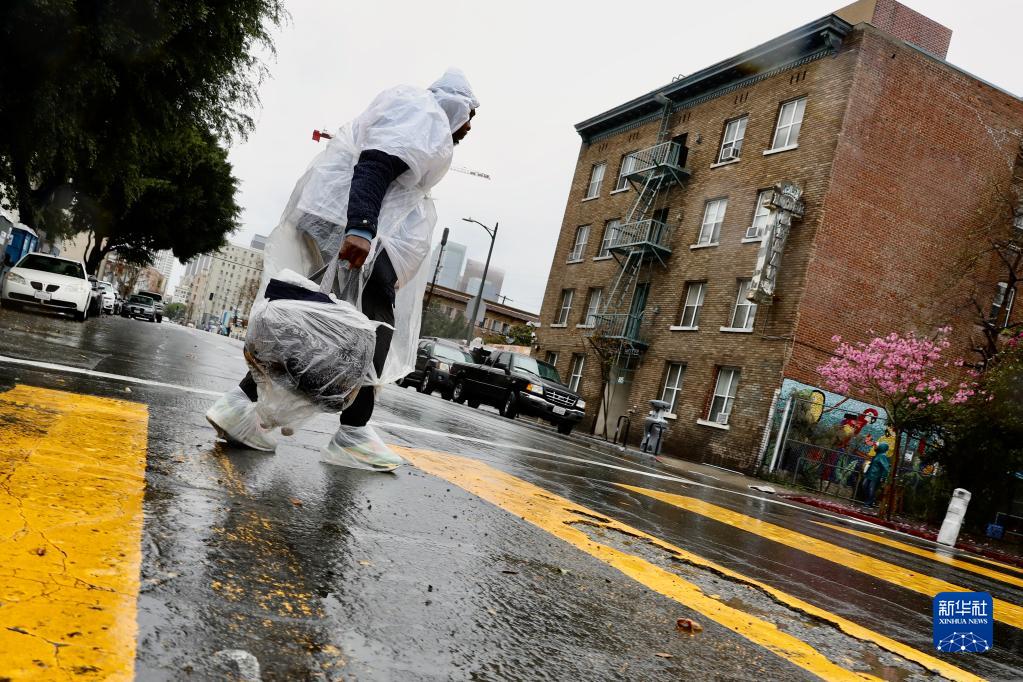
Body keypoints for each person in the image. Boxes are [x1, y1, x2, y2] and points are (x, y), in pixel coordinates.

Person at [206, 68, 479, 471]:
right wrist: (361, 228)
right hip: (353, 225)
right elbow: (377, 163)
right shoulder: (424, 113)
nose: (470, 126)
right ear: (454, 104)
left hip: (349, 221)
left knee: (320, 321)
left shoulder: (423, 116)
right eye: (470, 113)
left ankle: (243, 405)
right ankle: (351, 433)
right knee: (371, 325)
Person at [861, 442, 891, 506]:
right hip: (869, 474)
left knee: (871, 489)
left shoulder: (882, 456)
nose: (877, 447)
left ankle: (869, 502)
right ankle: (868, 500)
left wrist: (883, 477)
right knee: (865, 485)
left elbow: (886, 468)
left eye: (878, 446)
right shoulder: (878, 454)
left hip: (876, 475)